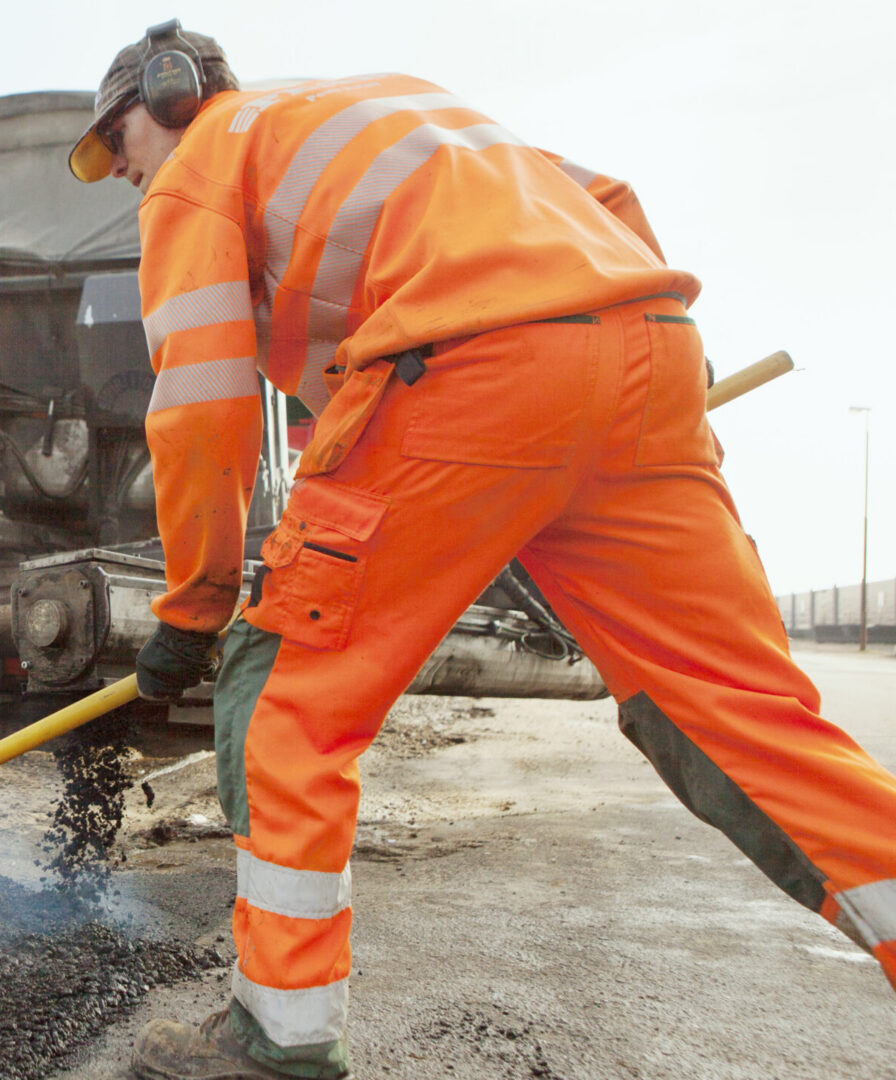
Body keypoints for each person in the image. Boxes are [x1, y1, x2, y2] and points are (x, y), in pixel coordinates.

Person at [68, 20, 896, 1080]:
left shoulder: (201, 164)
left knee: (282, 705)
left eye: (120, 141)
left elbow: (199, 411)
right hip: (647, 351)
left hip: (473, 367)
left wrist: (195, 611)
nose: (128, 175)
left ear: (173, 95)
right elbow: (610, 202)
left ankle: (278, 1044)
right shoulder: (396, 111)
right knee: (744, 716)